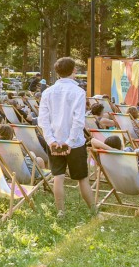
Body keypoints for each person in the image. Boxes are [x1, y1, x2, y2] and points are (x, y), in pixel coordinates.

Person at [37, 57, 95, 217]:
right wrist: (69, 142)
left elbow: (43, 119)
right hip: (75, 142)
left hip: (54, 140)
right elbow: (78, 121)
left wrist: (51, 140)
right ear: (74, 70)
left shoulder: (47, 92)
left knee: (58, 177)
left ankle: (61, 212)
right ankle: (94, 211)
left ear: (57, 72)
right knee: (82, 178)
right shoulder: (78, 92)